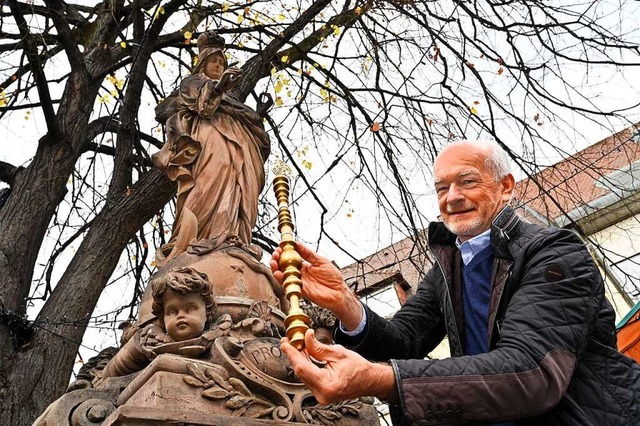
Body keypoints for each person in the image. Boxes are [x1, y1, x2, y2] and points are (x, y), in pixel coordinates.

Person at [271, 140, 640, 425]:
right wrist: (344, 303)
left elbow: (529, 372)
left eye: (467, 182)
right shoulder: (448, 270)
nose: (453, 198)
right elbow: (405, 341)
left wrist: (384, 381)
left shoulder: (554, 253)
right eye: (441, 188)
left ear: (505, 187)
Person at [153, 30, 271, 266]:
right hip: (210, 135)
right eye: (213, 61)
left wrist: (256, 114)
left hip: (236, 138)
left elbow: (239, 116)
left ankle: (232, 236)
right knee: (214, 174)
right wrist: (218, 87)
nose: (217, 65)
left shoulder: (230, 101)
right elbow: (204, 108)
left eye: (221, 62)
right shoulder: (193, 83)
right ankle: (197, 237)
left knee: (239, 181)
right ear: (202, 64)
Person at [94, 267, 217, 383]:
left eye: (190, 309)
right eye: (172, 312)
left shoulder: (219, 335)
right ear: (163, 318)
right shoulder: (147, 340)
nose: (180, 316)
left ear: (207, 312)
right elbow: (110, 374)